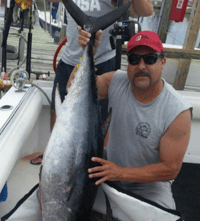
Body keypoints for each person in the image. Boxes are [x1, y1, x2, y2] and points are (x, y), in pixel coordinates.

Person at [23, 0, 153, 164]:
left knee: (96, 120)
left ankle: (93, 161)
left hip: (100, 61)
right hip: (69, 60)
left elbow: (144, 10)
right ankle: (53, 153)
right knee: (56, 111)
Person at [74, 29, 192, 209]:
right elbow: (73, 89)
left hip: (149, 187)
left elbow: (170, 169)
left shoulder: (177, 111)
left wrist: (120, 173)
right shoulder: (116, 81)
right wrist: (88, 52)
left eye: (150, 59)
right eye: (134, 59)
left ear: (163, 62)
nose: (141, 66)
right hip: (108, 173)